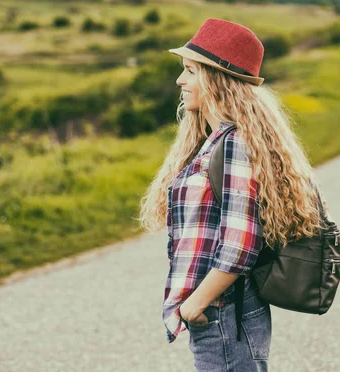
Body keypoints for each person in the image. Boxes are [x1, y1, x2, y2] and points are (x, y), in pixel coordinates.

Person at [137, 18, 325, 371]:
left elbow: (241, 241)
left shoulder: (235, 143)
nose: (180, 80)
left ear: (215, 79)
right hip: (221, 312)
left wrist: (197, 303)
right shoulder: (214, 141)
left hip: (224, 313)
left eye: (190, 71)